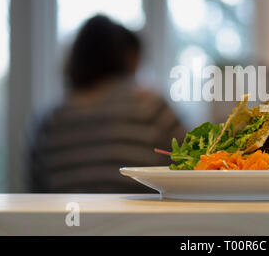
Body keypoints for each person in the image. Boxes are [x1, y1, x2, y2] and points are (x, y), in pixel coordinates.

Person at [26, 15, 185, 193]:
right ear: (125, 58)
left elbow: (35, 192)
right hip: (141, 220)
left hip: (67, 220)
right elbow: (190, 165)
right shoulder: (150, 108)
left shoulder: (48, 122)